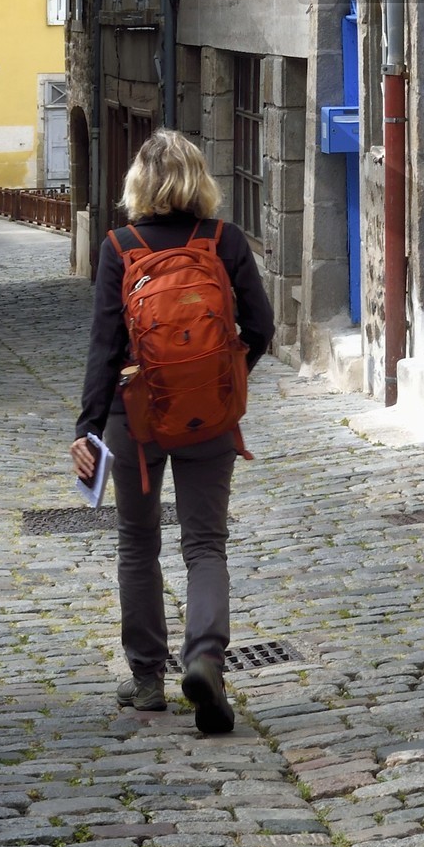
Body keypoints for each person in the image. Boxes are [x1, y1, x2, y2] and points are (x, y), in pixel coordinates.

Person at [71, 129, 274, 731]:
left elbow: (105, 347)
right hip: (209, 414)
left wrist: (87, 426)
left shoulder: (119, 245)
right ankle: (206, 658)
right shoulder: (224, 241)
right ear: (198, 180)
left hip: (135, 415)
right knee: (205, 544)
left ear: (139, 185)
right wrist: (224, 376)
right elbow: (260, 325)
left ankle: (145, 679)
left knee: (138, 543)